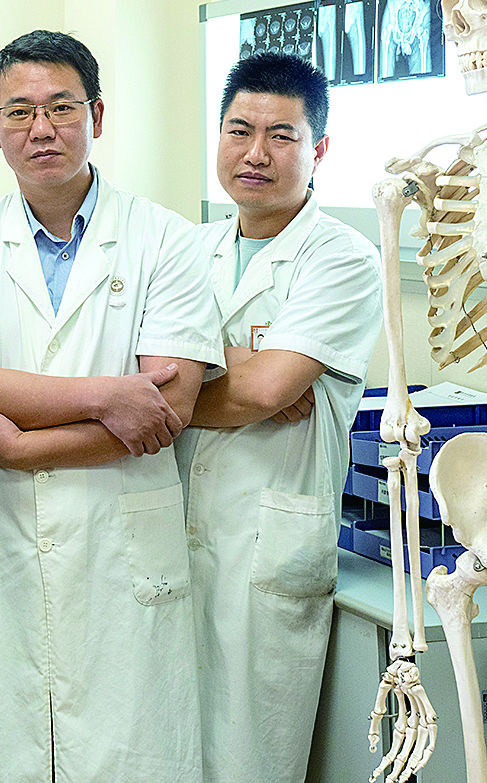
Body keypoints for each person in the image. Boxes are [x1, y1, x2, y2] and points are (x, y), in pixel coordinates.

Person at [0, 30, 221, 783]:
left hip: (121, 546)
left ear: (97, 115)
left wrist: (24, 446)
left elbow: (168, 407)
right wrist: (106, 395)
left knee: (130, 756)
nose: (42, 128)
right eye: (19, 112)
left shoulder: (166, 240)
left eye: (61, 107)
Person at [181, 50, 382, 783]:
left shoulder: (343, 258)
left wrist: (207, 380)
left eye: (281, 136)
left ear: (318, 148)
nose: (255, 153)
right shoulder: (187, 249)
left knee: (248, 757)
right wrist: (246, 371)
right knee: (163, 745)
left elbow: (265, 390)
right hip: (173, 530)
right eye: (239, 131)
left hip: (266, 539)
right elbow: (127, 372)